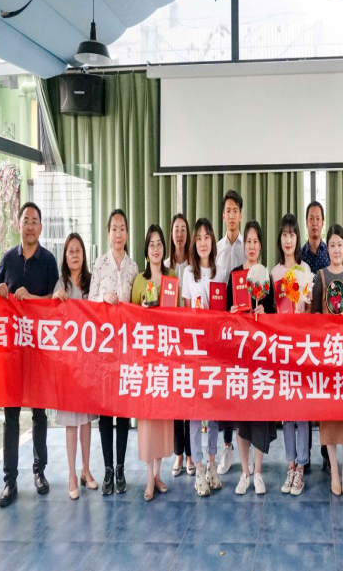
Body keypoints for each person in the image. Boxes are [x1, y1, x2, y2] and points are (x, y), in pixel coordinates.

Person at [0, 202, 59, 508]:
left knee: (40, 413)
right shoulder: (8, 258)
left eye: (35, 221)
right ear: (19, 226)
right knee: (11, 415)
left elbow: (56, 301)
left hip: (39, 350)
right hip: (13, 353)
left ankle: (39, 472)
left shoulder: (49, 260)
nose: (30, 226)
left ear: (40, 228)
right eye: (26, 221)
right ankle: (10, 480)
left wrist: (32, 298)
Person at [89, 209, 139, 496]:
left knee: (123, 413)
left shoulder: (133, 267)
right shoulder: (99, 264)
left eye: (122, 229)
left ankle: (121, 469)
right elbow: (89, 301)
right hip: (104, 350)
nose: (118, 234)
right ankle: (107, 469)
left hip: (126, 350)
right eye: (114, 229)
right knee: (105, 412)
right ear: (108, 233)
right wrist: (103, 298)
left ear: (127, 234)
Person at [226, 220, 277, 495]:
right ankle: (244, 473)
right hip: (239, 356)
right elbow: (225, 316)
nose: (252, 246)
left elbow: (275, 317)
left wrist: (264, 314)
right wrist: (233, 312)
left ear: (261, 245)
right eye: (248, 241)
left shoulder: (265, 277)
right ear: (243, 244)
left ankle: (258, 472)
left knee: (260, 415)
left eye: (256, 241)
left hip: (260, 356)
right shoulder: (235, 275)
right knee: (241, 416)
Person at [311, 224, 343, 496]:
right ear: (327, 249)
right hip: (327, 357)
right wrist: (326, 320)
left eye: (340, 244)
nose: (336, 249)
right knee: (328, 416)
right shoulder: (320, 276)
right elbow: (313, 315)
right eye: (332, 245)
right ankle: (333, 470)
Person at [182, 217, 227, 496]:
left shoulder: (221, 272)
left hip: (216, 352)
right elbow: (186, 311)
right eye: (198, 238)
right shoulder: (188, 273)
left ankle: (212, 463)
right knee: (195, 412)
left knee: (213, 411)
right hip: (195, 351)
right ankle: (198, 468)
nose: (202, 242)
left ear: (212, 240)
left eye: (206, 237)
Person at [132, 224, 176, 501]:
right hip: (146, 358)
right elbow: (129, 317)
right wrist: (143, 311)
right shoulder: (139, 281)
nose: (156, 248)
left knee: (162, 419)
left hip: (167, 356)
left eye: (159, 243)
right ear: (146, 250)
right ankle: (148, 477)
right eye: (152, 244)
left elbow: (179, 316)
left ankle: (159, 474)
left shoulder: (172, 277)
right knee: (147, 419)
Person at [52, 233, 98, 500]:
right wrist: (55, 299)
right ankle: (71, 474)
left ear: (84, 254)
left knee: (86, 421)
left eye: (78, 250)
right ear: (65, 256)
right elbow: (52, 318)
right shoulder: (61, 284)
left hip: (88, 363)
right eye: (70, 251)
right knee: (71, 422)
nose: (75, 255)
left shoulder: (92, 282)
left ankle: (86, 470)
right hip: (68, 365)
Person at [271, 213, 312, 496]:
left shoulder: (304, 269)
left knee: (302, 410)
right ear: (280, 239)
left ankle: (302, 467)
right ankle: (290, 464)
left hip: (301, 348)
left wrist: (300, 313)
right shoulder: (273, 272)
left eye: (292, 234)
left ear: (298, 238)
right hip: (282, 349)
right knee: (287, 410)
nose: (288, 239)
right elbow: (271, 312)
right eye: (284, 234)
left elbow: (309, 309)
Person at [215, 190, 245, 476]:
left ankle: (244, 442)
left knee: (242, 385)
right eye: (228, 211)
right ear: (223, 216)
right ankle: (226, 446)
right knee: (225, 386)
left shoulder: (249, 246)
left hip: (244, 328)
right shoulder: (216, 248)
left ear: (240, 215)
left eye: (236, 210)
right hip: (222, 325)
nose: (232, 215)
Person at [301, 201, 331, 473]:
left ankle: (326, 453)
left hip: (325, 334)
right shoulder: (299, 257)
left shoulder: (329, 253)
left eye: (317, 218)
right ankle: (306, 455)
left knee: (323, 395)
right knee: (306, 397)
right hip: (303, 336)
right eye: (310, 218)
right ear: (306, 222)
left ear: (322, 222)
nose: (314, 222)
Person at [167, 213, 195, 478]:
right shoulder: (164, 265)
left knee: (190, 397)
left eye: (183, 229)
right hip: (171, 340)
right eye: (176, 229)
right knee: (176, 399)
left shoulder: (193, 264)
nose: (179, 234)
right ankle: (178, 454)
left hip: (191, 338)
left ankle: (190, 456)